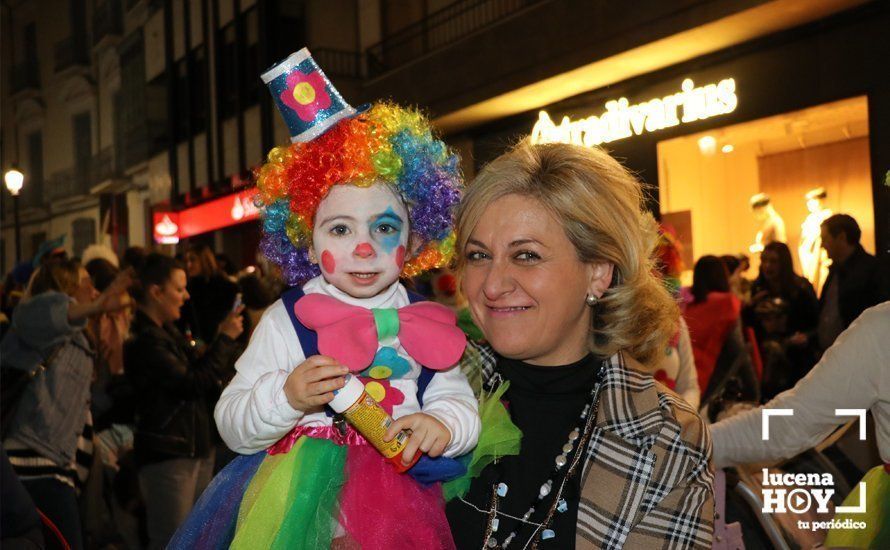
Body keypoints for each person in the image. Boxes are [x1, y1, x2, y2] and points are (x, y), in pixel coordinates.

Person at [173, 50, 478, 550]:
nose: (364, 247)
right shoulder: (286, 319)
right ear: (308, 243)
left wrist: (441, 424)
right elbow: (231, 423)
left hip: (405, 508)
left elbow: (460, 404)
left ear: (417, 240)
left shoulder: (428, 320)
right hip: (300, 506)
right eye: (339, 228)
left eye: (385, 227)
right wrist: (287, 397)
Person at [445, 141, 713, 549]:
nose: (493, 285)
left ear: (598, 273)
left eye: (527, 256)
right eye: (479, 255)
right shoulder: (429, 385)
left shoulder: (664, 434)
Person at [711, 302, 890, 548]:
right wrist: (695, 443)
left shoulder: (882, 329)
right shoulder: (882, 330)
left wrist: (691, 443)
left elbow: (791, 423)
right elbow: (791, 422)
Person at [2, 257, 131, 549]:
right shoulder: (36, 321)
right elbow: (45, 312)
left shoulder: (79, 340)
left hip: (57, 471)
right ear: (67, 287)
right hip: (33, 465)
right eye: (87, 283)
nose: (96, 292)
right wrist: (95, 309)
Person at [125, 253, 244, 549]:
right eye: (179, 289)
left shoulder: (167, 333)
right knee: (173, 539)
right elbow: (191, 382)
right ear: (156, 292)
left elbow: (197, 373)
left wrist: (219, 340)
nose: (186, 296)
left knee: (198, 539)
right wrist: (226, 340)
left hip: (193, 448)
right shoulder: (145, 339)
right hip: (170, 454)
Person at [745, 242, 819, 398]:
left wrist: (806, 337)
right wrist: (751, 305)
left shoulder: (801, 287)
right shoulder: (758, 288)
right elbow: (747, 324)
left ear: (783, 263)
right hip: (766, 360)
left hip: (796, 360)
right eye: (764, 260)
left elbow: (817, 323)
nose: (767, 266)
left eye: (773, 261)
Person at [683, 256, 758, 404]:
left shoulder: (687, 305)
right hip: (710, 383)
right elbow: (737, 350)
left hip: (685, 381)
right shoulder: (725, 304)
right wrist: (753, 390)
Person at [816, 213, 889, 352]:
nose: (822, 245)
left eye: (825, 239)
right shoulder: (835, 270)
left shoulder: (873, 270)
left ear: (842, 237)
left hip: (859, 353)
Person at [183, 243, 239, 344]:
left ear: (204, 260)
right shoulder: (188, 288)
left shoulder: (225, 287)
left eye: (193, 260)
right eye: (187, 261)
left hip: (222, 341)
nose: (189, 265)